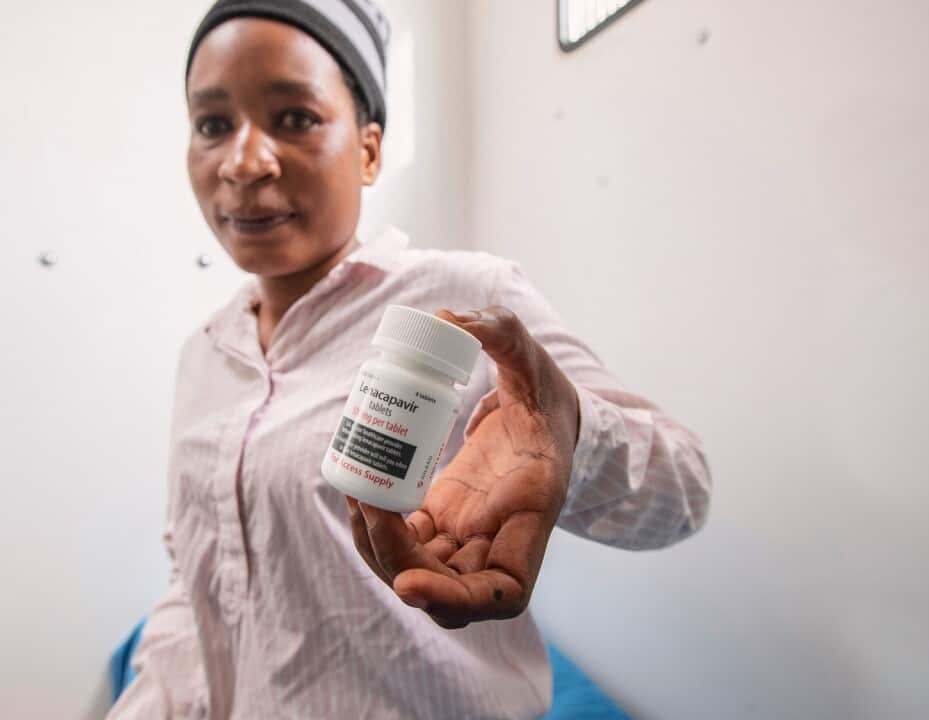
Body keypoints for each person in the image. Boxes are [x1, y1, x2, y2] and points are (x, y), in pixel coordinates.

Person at [108, 1, 711, 717]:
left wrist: (571, 429)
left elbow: (682, 490)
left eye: (294, 117)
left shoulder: (467, 300)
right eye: (213, 124)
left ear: (367, 149)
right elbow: (196, 584)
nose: (244, 161)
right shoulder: (204, 356)